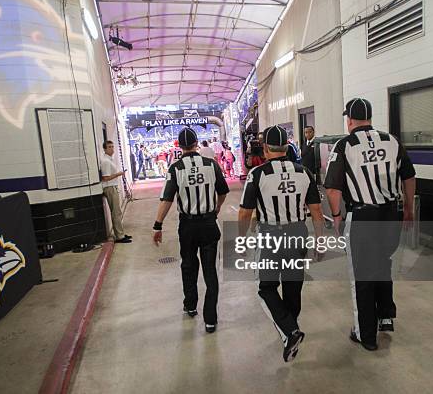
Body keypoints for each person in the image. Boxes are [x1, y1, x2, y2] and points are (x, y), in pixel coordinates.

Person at [324, 98, 416, 351]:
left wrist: (337, 216)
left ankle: (365, 334)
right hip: (390, 216)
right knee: (382, 264)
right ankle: (385, 317)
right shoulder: (392, 140)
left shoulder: (345, 145)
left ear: (349, 120)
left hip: (363, 217)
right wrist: (408, 208)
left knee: (362, 277)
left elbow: (332, 188)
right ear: (371, 118)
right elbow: (409, 176)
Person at [238, 125, 324, 362]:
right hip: (297, 234)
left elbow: (245, 213)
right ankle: (290, 331)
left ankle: (290, 331)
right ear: (287, 147)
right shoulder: (304, 172)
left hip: (271, 236)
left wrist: (241, 240)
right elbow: (316, 210)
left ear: (265, 149)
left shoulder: (257, 174)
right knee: (293, 287)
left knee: (266, 287)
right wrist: (319, 241)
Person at [152, 127, 230, 334]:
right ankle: (210, 320)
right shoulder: (211, 165)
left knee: (188, 265)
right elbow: (223, 192)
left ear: (179, 146)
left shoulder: (175, 168)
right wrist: (217, 207)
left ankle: (190, 304)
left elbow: (167, 199)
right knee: (210, 271)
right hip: (208, 223)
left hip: (187, 225)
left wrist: (158, 225)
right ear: (197, 144)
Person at [100, 141, 133, 244]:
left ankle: (120, 233)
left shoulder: (110, 160)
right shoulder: (105, 161)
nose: (112, 149)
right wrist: (119, 174)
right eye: (109, 147)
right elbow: (105, 178)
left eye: (113, 146)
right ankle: (119, 236)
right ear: (104, 149)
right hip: (109, 187)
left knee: (117, 212)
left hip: (113, 186)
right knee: (116, 212)